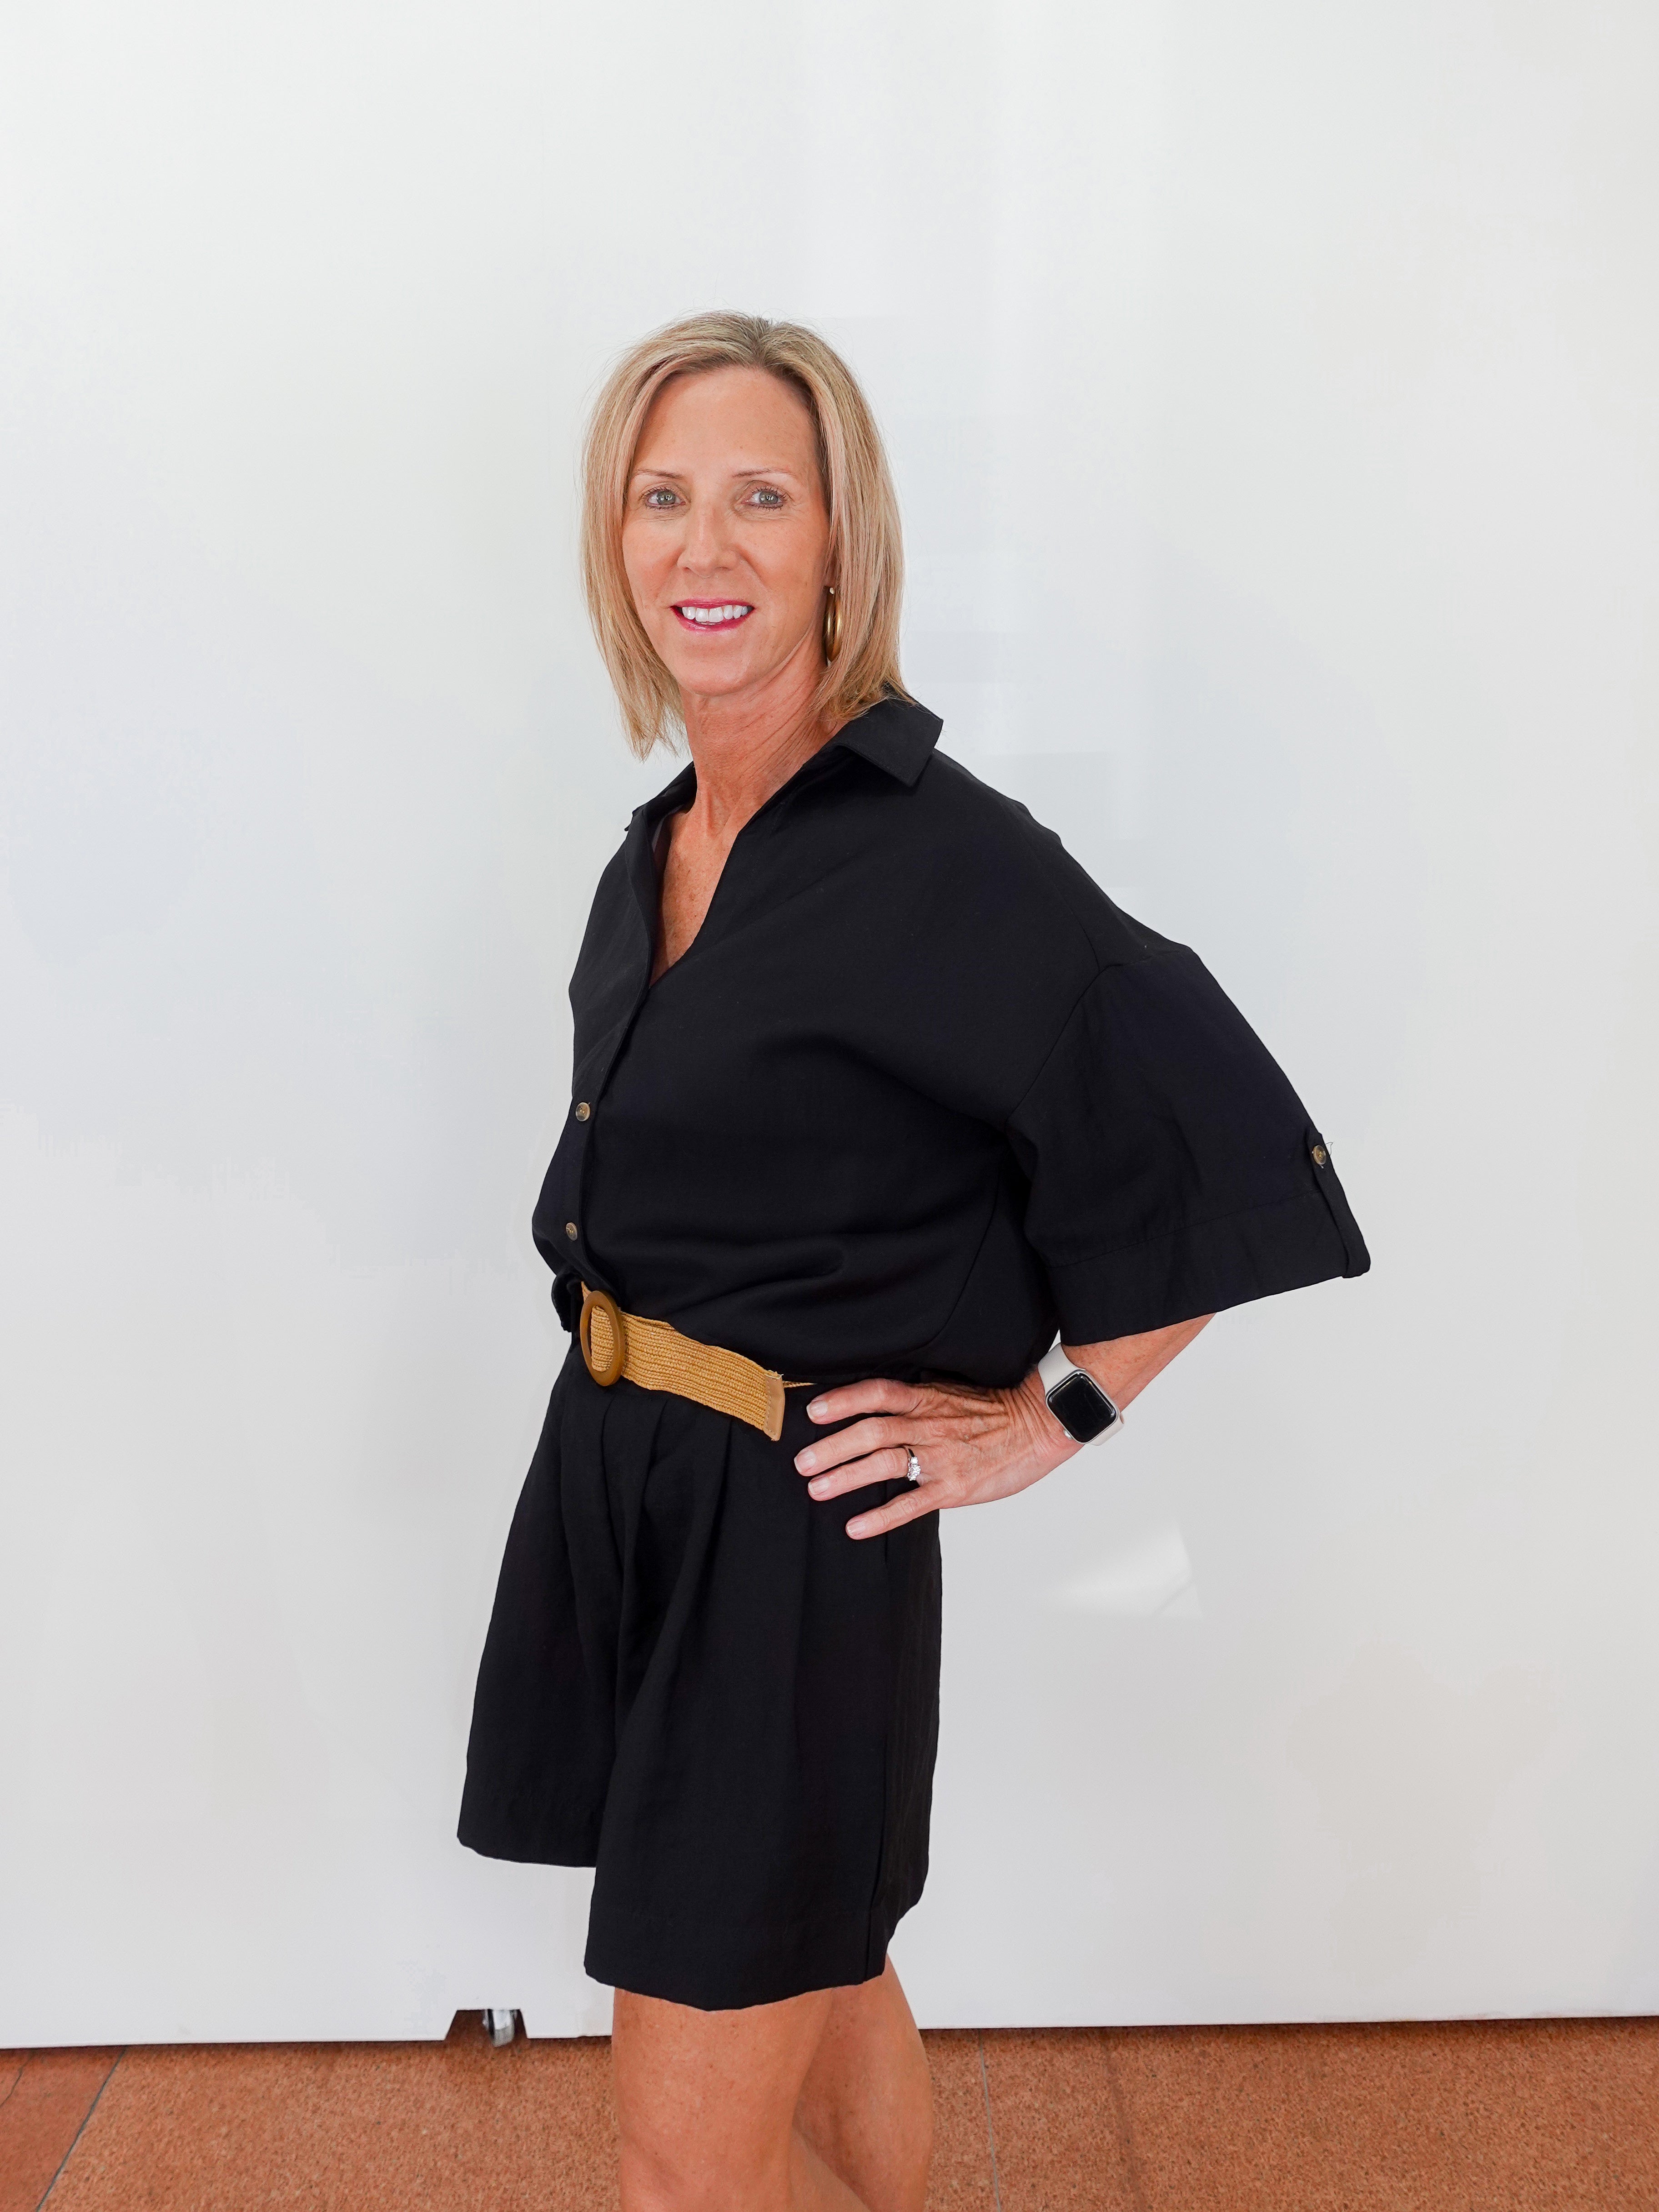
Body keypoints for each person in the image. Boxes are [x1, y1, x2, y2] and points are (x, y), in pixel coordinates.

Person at [458, 312, 1368, 2212]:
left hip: (792, 1529)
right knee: (832, 1952)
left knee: (679, 2163)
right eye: (664, 499)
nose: (706, 549)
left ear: (841, 547)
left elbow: (1209, 1129)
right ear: (615, 545)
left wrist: (1061, 1413)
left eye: (761, 500)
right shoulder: (666, 847)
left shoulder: (951, 862)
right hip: (627, 1482)